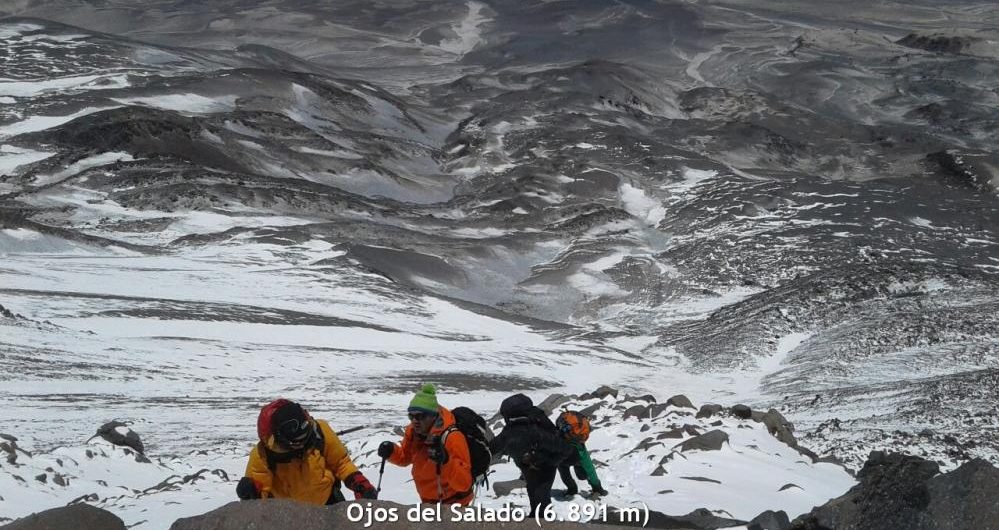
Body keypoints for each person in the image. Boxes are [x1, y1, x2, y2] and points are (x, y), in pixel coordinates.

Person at [236, 399, 377, 504]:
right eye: (298, 441)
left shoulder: (320, 431)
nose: (303, 443)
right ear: (279, 439)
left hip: (329, 502)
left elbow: (340, 462)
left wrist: (358, 482)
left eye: (306, 437)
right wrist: (252, 492)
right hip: (287, 515)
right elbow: (259, 494)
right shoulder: (263, 456)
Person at [377, 384, 474, 505]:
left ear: (433, 416)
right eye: (411, 416)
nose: (414, 421)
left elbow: (464, 484)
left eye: (420, 416)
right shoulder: (413, 433)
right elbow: (405, 457)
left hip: (455, 503)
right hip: (428, 502)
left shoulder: (452, 437)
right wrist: (391, 451)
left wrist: (446, 462)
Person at [489, 393, 573, 517]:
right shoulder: (523, 429)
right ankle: (536, 518)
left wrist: (550, 462)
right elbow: (564, 448)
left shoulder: (516, 431)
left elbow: (566, 448)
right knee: (534, 492)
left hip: (544, 467)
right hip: (533, 466)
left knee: (540, 495)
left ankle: (542, 521)